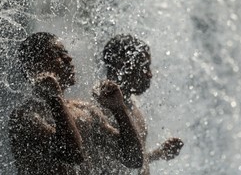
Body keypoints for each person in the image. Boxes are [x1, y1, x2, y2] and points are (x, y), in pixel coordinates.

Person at [8, 32, 144, 174]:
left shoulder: (85, 111)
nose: (69, 58)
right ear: (35, 66)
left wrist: (118, 109)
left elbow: (133, 158)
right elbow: (72, 154)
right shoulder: (25, 117)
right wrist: (55, 98)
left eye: (65, 52)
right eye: (58, 54)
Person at [98, 34, 184, 175]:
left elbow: (131, 162)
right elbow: (131, 158)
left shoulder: (132, 104)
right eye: (144, 66)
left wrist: (158, 153)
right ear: (122, 65)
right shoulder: (103, 107)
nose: (149, 74)